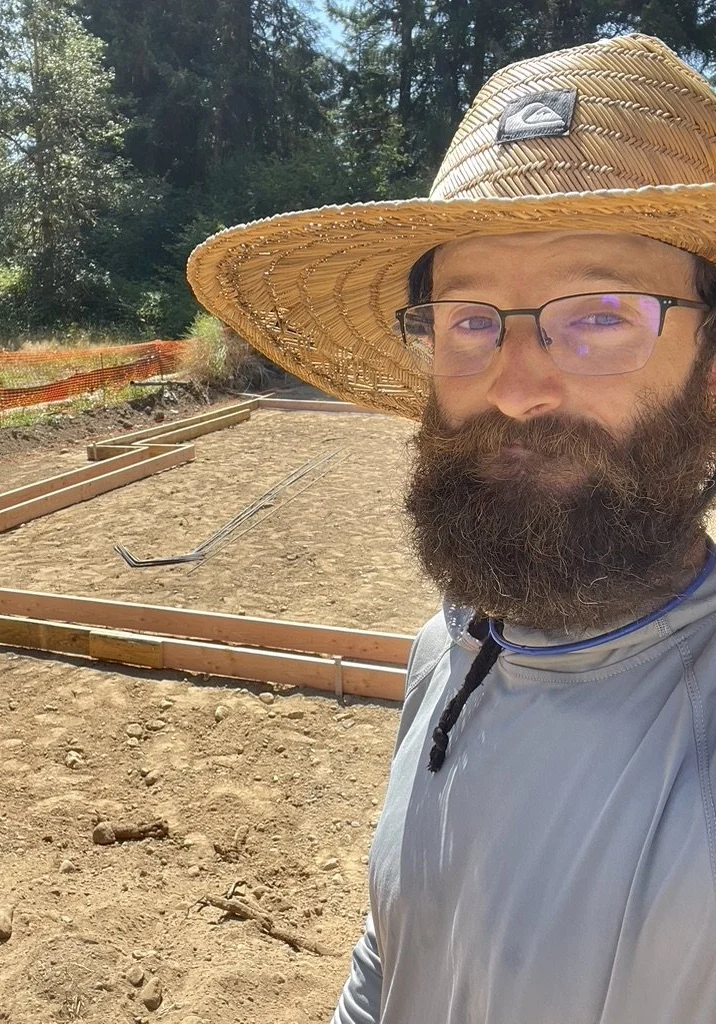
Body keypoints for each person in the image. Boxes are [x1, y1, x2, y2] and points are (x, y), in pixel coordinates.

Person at [187, 33, 716, 1024]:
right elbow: (393, 959)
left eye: (600, 314)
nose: (513, 386)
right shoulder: (449, 649)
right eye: (470, 320)